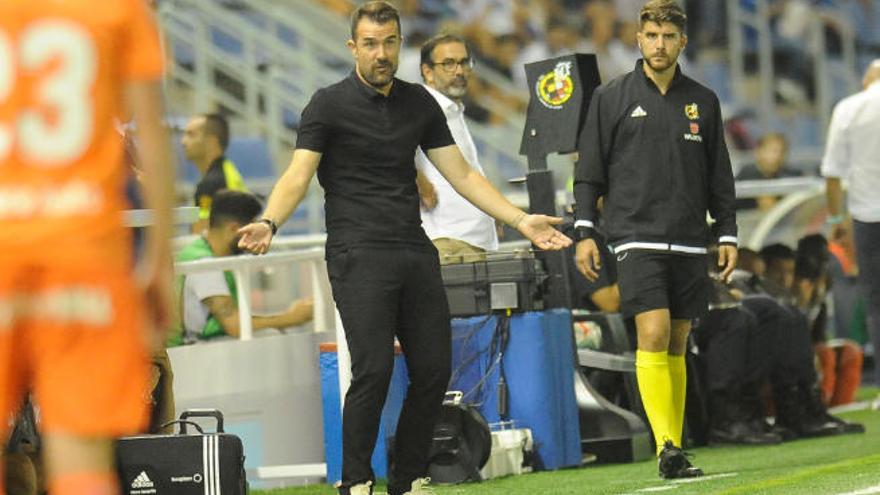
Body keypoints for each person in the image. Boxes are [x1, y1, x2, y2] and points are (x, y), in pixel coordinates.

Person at [236, 3, 571, 494]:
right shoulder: (327, 104)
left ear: (399, 45)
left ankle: (408, 478)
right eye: (370, 44)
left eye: (389, 43)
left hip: (415, 249)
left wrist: (520, 219)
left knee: (434, 370)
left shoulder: (419, 102)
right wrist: (269, 221)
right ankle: (355, 482)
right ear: (353, 47)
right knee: (373, 368)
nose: (381, 53)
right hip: (357, 251)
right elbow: (298, 174)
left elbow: (461, 175)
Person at [0, 1, 175, 494]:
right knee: (79, 459)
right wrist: (160, 259)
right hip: (84, 256)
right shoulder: (119, 9)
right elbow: (153, 139)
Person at [573, 0, 738, 479]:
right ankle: (667, 445)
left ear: (682, 41)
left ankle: (675, 443)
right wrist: (585, 230)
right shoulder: (610, 97)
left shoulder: (703, 100)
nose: (659, 44)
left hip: (690, 238)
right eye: (651, 36)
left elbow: (719, 173)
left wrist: (726, 231)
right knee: (654, 331)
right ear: (638, 40)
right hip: (633, 236)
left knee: (678, 342)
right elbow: (589, 172)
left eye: (668, 36)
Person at [170, 190, 313, 346]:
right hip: (195, 350)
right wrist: (292, 318)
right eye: (253, 229)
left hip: (209, 345)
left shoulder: (210, 254)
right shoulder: (203, 263)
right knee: (270, 335)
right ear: (234, 229)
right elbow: (234, 325)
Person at [414, 33, 499, 264]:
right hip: (447, 241)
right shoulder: (420, 107)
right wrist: (420, 182)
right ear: (428, 72)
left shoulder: (453, 110)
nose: (459, 71)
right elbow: (389, 151)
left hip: (472, 239)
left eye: (464, 62)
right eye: (449, 64)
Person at [822, 59, 880, 388]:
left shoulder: (849, 108)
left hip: (867, 218)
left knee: (876, 304)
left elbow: (832, 173)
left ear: (866, 79)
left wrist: (835, 219)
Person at [181, 113, 248, 234]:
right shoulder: (227, 169)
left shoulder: (212, 183)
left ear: (211, 142)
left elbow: (200, 234)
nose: (183, 142)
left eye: (191, 135)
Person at [735, 132, 802, 211]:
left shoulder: (789, 174)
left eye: (782, 151)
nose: (777, 156)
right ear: (758, 152)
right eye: (773, 151)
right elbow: (769, 207)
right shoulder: (748, 174)